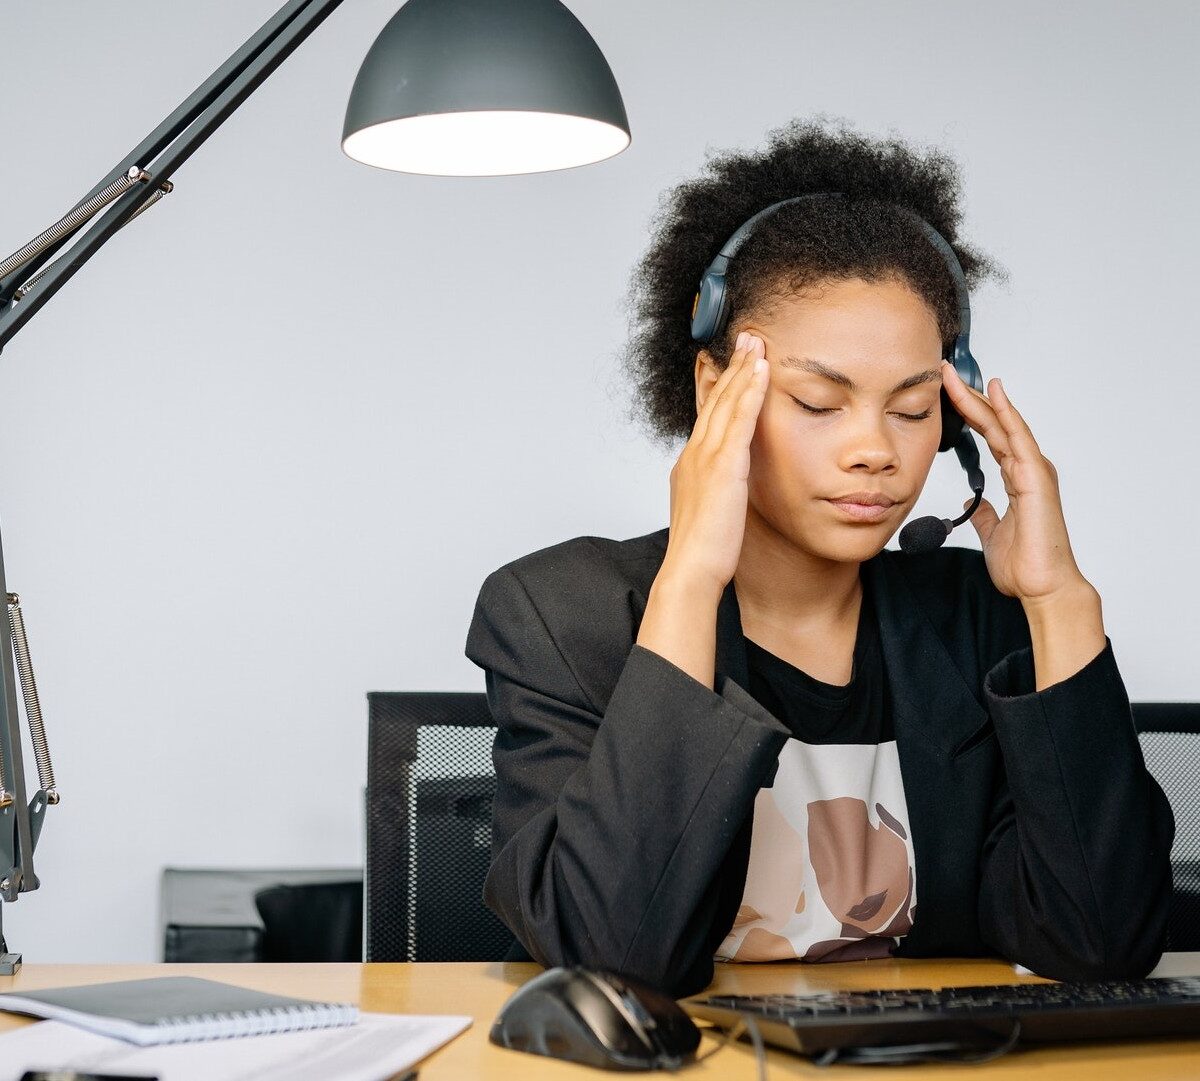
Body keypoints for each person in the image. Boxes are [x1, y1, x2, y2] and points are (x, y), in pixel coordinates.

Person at [464, 117, 1175, 999]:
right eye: (818, 402)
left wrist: (1060, 599)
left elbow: (1103, 940)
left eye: (913, 410)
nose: (875, 450)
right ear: (715, 391)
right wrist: (691, 576)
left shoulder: (975, 617)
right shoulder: (563, 613)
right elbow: (614, 959)